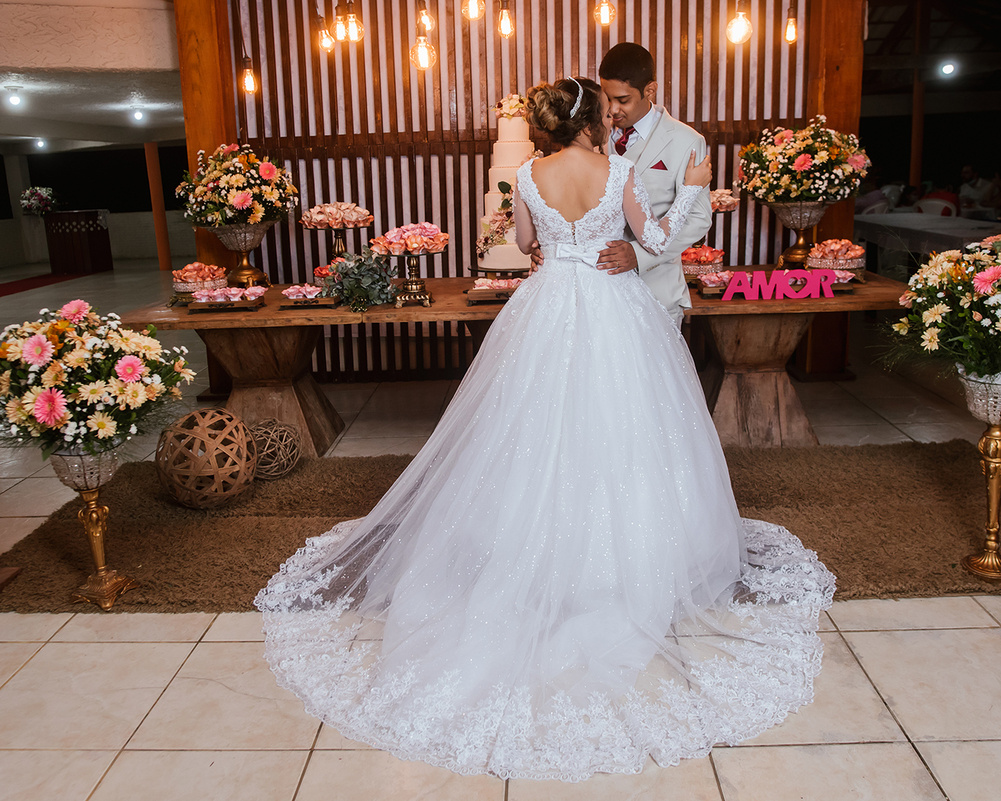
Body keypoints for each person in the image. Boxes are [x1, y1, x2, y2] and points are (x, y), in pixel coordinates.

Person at [255, 77, 834, 782]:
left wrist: (554, 248)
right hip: (615, 306)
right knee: (622, 430)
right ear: (592, 118)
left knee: (525, 429)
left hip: (547, 302)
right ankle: (623, 556)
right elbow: (653, 239)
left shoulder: (528, 174)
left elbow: (525, 242)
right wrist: (691, 190)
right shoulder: (618, 170)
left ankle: (525, 548)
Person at [597, 42, 712, 327]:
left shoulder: (687, 140)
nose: (613, 110)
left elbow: (698, 218)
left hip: (658, 290)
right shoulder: (593, 135)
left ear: (650, 90)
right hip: (598, 292)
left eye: (622, 100)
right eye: (607, 98)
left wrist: (639, 255)